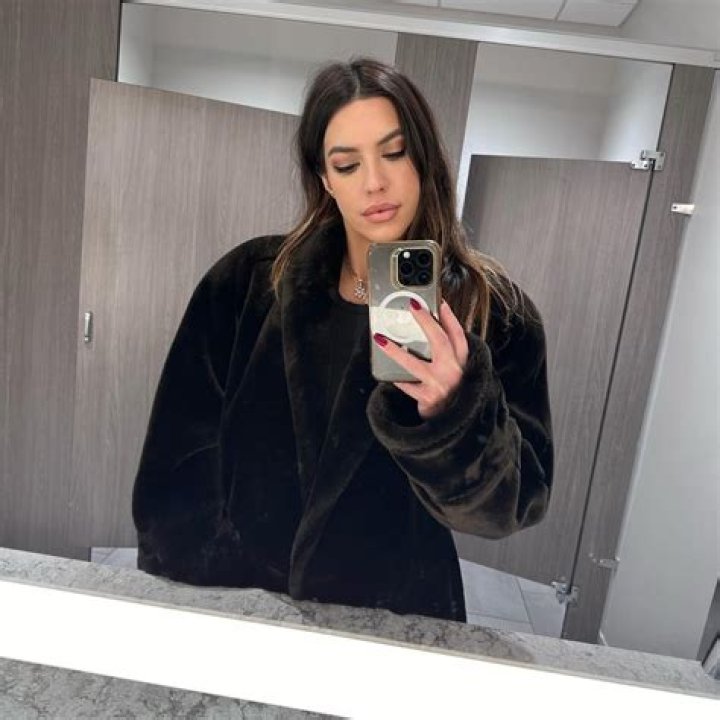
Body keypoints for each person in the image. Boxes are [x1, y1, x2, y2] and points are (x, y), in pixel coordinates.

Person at [131, 58, 553, 624]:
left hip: (396, 617)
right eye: (347, 164)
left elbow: (510, 508)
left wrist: (454, 415)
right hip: (244, 603)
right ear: (325, 179)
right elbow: (177, 459)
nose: (374, 182)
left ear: (425, 157)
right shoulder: (248, 283)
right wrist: (220, 591)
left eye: (394, 152)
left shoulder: (495, 313)